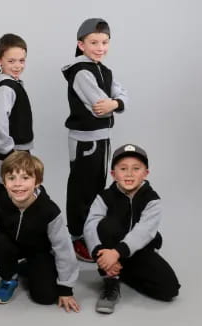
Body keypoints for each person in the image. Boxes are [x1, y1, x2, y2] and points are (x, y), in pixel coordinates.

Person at [0, 151, 80, 312]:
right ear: (4, 181)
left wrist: (66, 288)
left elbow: (64, 249)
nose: (18, 184)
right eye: (11, 178)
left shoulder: (49, 211)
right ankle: (10, 277)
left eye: (25, 178)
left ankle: (28, 267)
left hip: (39, 252)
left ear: (37, 181)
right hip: (10, 248)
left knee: (46, 297)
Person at [84, 144, 180, 314]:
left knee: (169, 289)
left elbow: (144, 230)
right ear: (114, 174)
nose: (129, 173)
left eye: (136, 169)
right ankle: (111, 280)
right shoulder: (104, 197)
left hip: (136, 250)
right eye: (123, 168)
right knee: (107, 224)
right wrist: (99, 252)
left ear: (146, 173)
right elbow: (91, 225)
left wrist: (117, 254)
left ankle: (123, 271)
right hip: (109, 248)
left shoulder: (152, 200)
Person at [62, 18, 129, 262]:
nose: (100, 47)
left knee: (96, 187)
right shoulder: (81, 71)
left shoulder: (104, 70)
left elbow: (122, 97)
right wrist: (115, 104)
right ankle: (77, 236)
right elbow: (98, 107)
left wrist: (117, 103)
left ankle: (92, 232)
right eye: (94, 42)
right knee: (82, 189)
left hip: (102, 139)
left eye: (104, 42)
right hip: (85, 141)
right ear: (81, 44)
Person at [0, 33, 34, 201]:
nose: (17, 66)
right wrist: (8, 152)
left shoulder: (13, 83)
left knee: (20, 194)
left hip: (19, 151)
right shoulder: (6, 88)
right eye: (11, 61)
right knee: (9, 195)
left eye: (21, 61)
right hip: (10, 153)